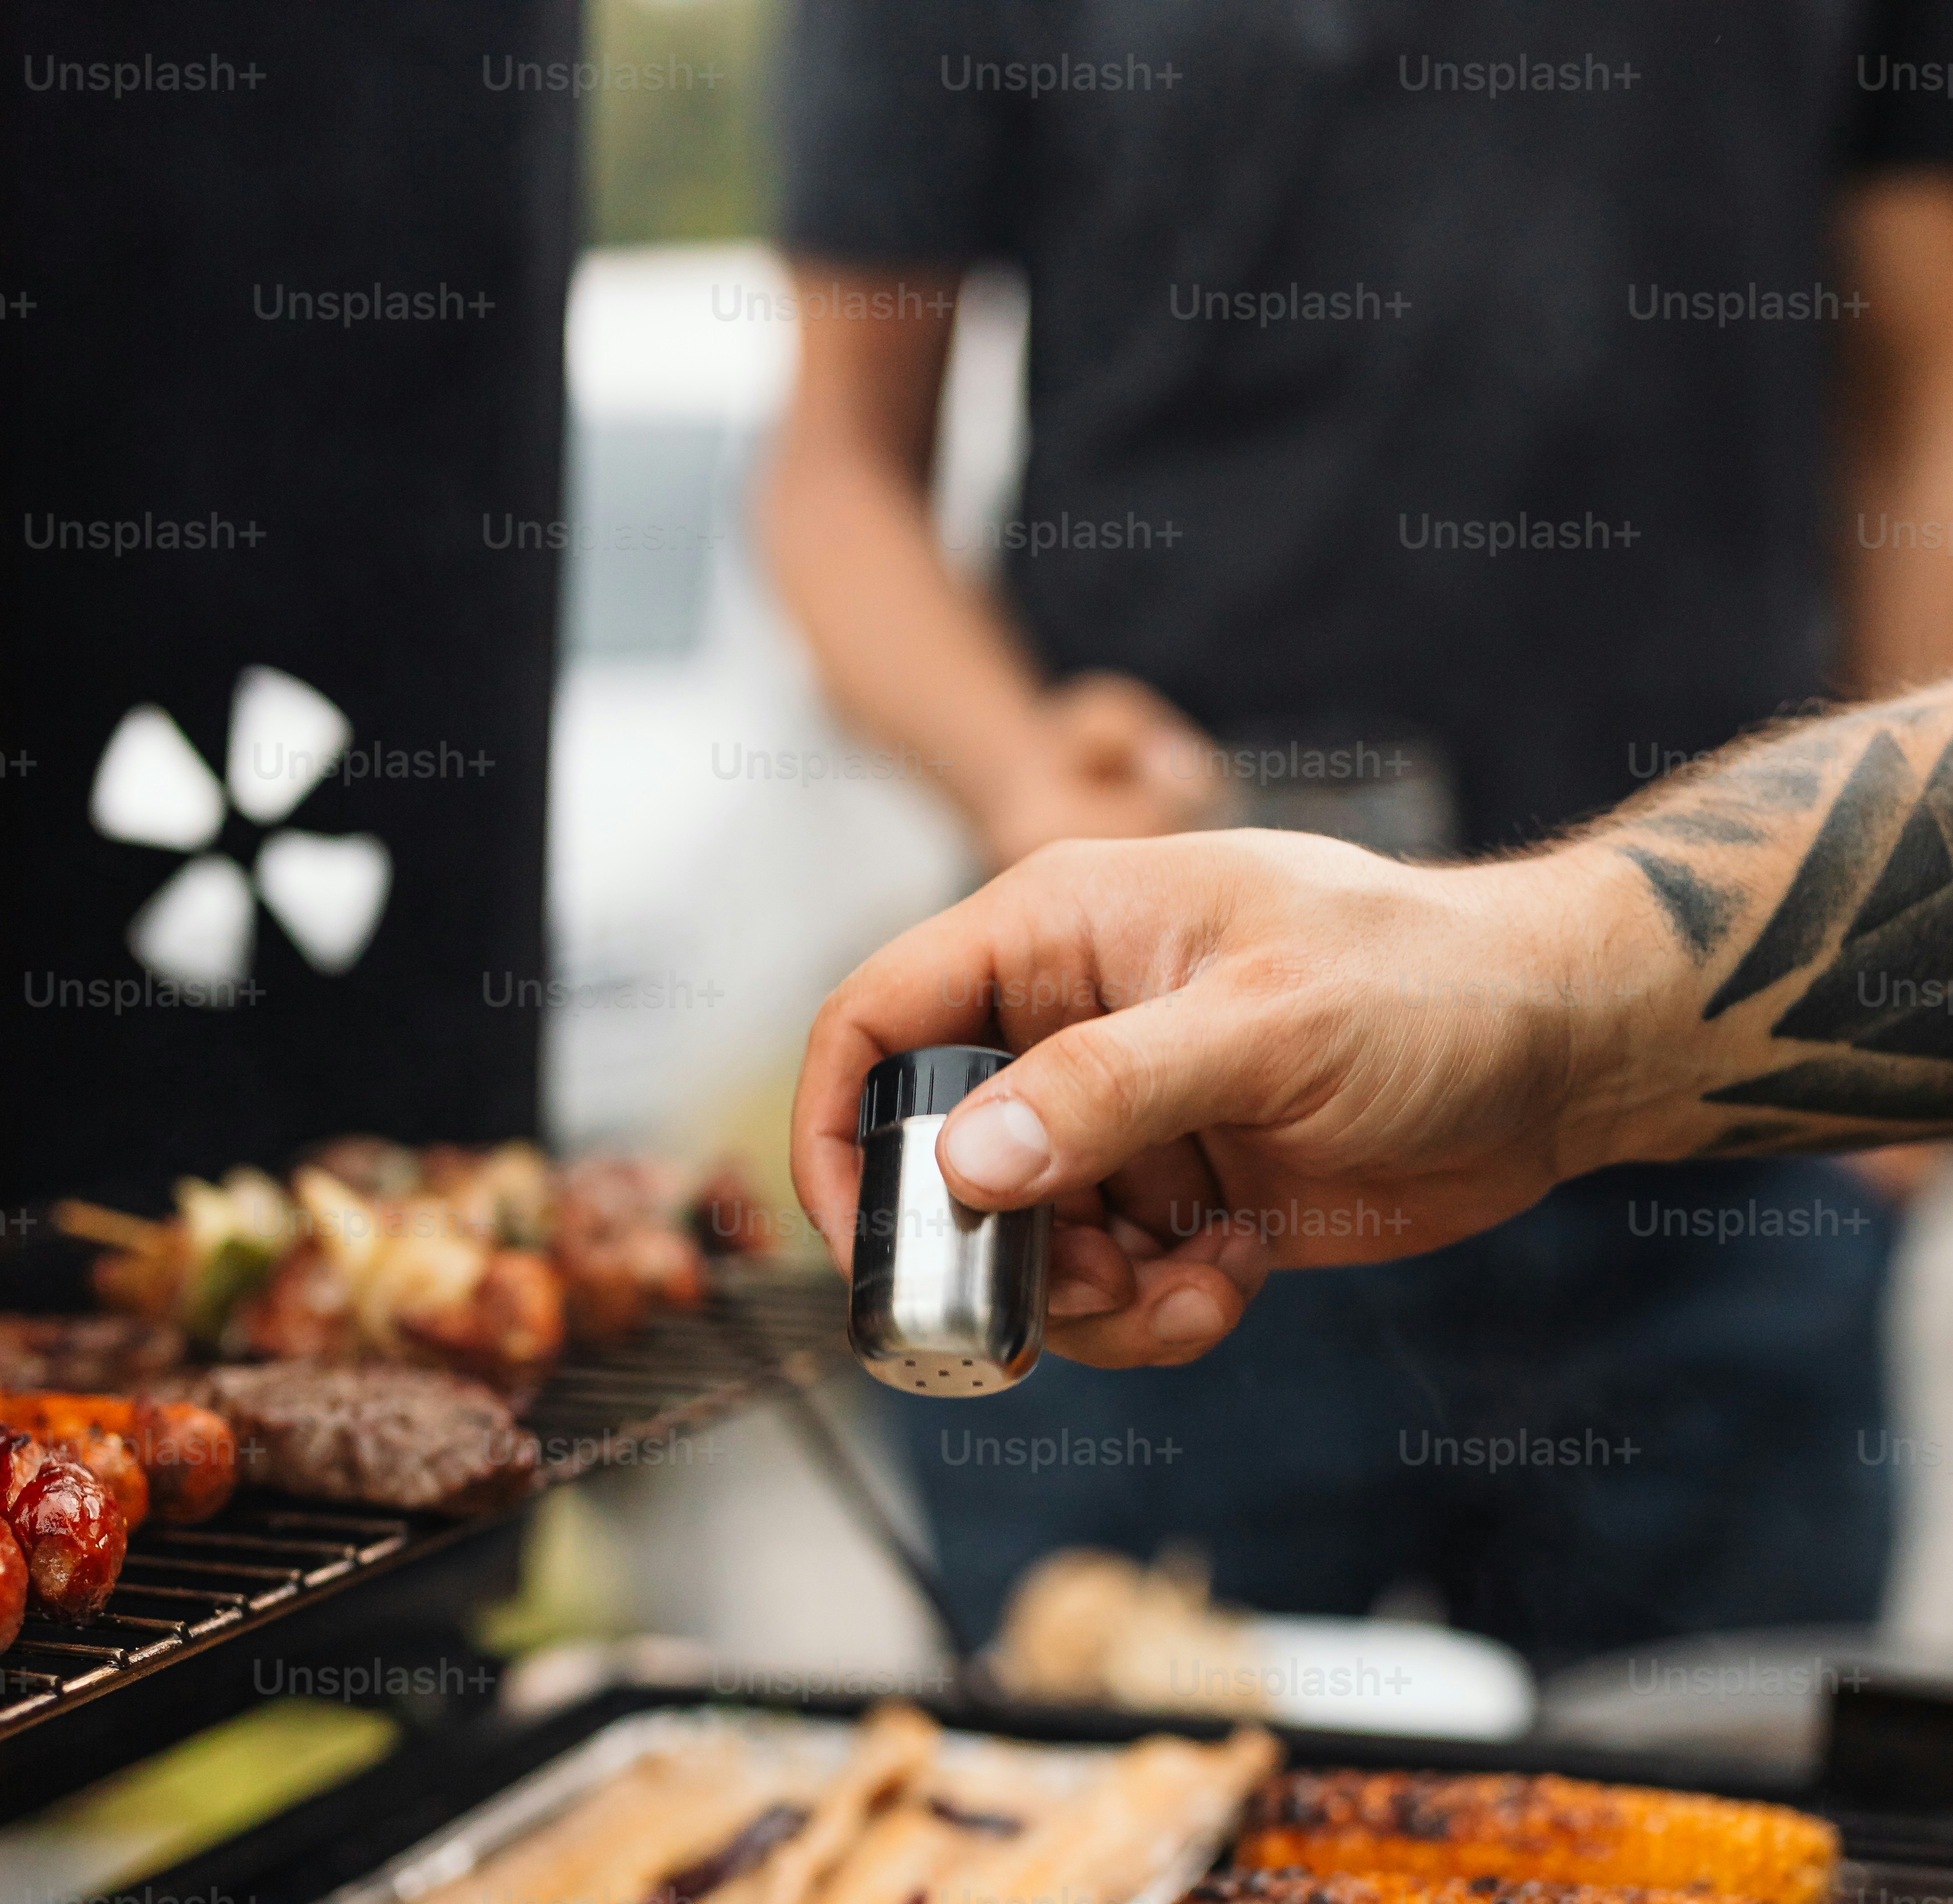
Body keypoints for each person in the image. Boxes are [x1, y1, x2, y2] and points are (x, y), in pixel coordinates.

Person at [766, 5, 1953, 1666]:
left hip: (1727, 1131)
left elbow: (1927, 390)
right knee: (1113, 1801)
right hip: (1167, 1131)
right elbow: (833, 468)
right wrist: (1024, 771)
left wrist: (1891, 1002)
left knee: (1709, 1796)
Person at [794, 679, 1953, 1361]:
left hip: (1749, 1205)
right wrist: (1021, 774)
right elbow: (838, 468)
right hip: (1226, 1172)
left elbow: (1915, 422)